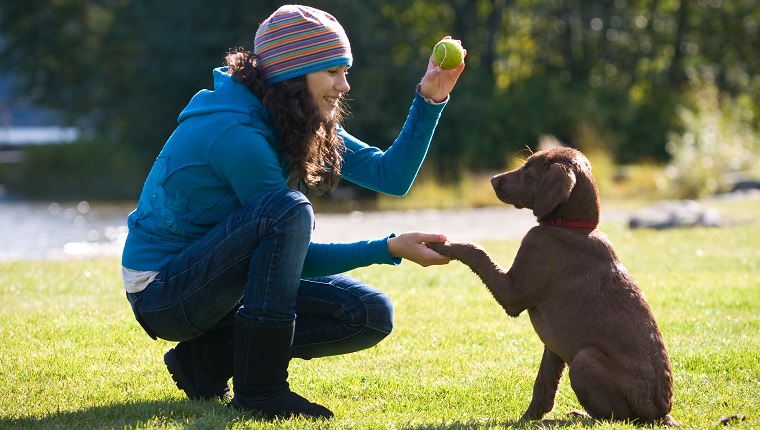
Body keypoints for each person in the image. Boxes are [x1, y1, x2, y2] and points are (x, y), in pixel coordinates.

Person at [121, 4, 465, 420]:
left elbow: (389, 176)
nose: (344, 84)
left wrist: (431, 98)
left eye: (345, 70)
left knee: (369, 314)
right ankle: (261, 391)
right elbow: (293, 252)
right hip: (165, 293)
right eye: (333, 71)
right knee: (287, 210)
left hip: (222, 284)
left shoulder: (293, 115)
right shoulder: (237, 133)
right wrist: (387, 247)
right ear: (292, 75)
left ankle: (205, 361)